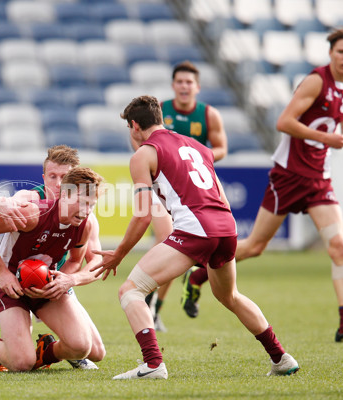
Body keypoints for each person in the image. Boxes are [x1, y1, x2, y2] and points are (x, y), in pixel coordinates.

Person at [186, 27, 343, 343]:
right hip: (287, 176)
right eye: (342, 52)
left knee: (340, 247)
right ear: (330, 54)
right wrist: (326, 138)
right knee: (255, 247)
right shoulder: (317, 81)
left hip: (319, 180)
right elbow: (283, 122)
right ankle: (198, 275)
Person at [92, 95, 299, 379]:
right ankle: (281, 357)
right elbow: (221, 197)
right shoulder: (197, 146)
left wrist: (118, 254)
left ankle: (153, 364)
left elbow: (142, 215)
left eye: (129, 129)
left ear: (134, 126)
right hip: (226, 228)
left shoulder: (143, 154)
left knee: (130, 290)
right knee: (230, 296)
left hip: (195, 230)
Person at [0, 145, 104, 371]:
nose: (58, 182)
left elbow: (78, 261)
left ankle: (45, 351)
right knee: (22, 363)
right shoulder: (32, 208)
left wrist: (64, 282)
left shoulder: (85, 221)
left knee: (88, 349)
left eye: (91, 204)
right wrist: (3, 273)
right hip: (13, 285)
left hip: (49, 284)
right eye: (53, 176)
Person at [145, 61, 228, 328]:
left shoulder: (208, 115)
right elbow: (139, 138)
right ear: (173, 85)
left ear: (197, 87)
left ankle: (156, 306)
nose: (184, 86)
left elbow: (221, 148)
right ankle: (150, 300)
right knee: (166, 237)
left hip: (195, 186)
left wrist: (192, 159)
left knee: (211, 238)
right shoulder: (159, 110)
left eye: (189, 82)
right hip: (163, 185)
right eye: (179, 81)